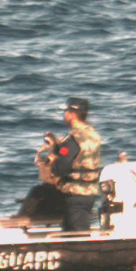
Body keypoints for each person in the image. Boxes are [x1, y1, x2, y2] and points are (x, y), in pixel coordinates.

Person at [41, 97, 102, 232]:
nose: (64, 115)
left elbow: (59, 169)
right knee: (71, 231)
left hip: (76, 195)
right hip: (89, 192)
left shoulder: (73, 139)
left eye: (66, 112)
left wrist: (52, 157)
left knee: (78, 235)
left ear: (72, 115)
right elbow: (79, 156)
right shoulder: (93, 134)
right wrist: (56, 145)